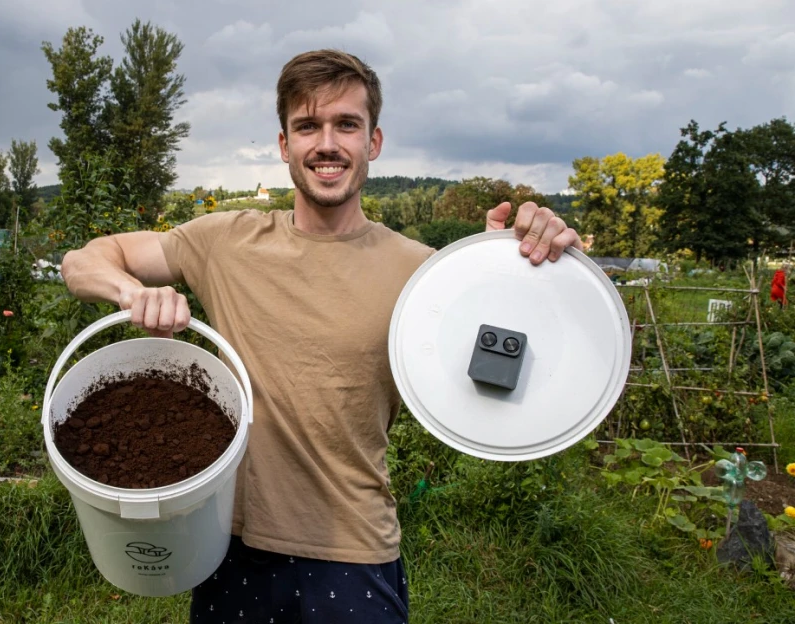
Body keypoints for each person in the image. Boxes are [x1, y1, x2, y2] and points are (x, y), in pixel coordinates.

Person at [61, 49, 582, 623]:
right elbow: (84, 260)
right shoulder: (223, 241)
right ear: (285, 145)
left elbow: (512, 346)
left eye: (346, 125)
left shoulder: (421, 273)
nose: (326, 144)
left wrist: (520, 258)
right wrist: (131, 293)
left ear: (373, 142)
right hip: (228, 546)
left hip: (355, 550)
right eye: (307, 126)